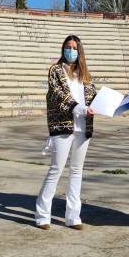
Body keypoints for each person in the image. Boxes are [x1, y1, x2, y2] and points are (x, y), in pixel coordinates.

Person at [35, 35, 97, 230]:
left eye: (74, 47)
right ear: (63, 49)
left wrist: (106, 104)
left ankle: (73, 216)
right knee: (56, 169)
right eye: (68, 47)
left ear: (80, 51)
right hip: (63, 125)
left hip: (83, 127)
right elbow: (56, 95)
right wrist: (79, 108)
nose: (71, 50)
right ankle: (42, 215)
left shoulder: (85, 75)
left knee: (77, 171)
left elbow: (93, 96)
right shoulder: (55, 70)